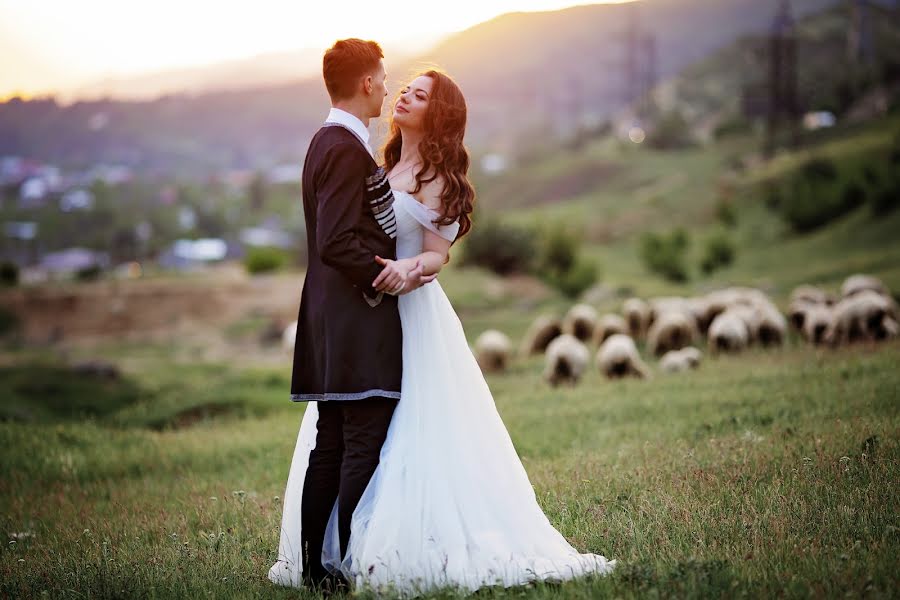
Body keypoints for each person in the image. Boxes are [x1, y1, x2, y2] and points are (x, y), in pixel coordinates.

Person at [270, 64, 615, 596]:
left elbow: (437, 256)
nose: (404, 95)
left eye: (420, 94)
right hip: (366, 313)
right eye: (404, 88)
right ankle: (333, 557)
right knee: (346, 436)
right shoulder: (377, 163)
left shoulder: (442, 181)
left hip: (410, 311)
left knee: (401, 429)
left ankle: (385, 546)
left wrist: (409, 271)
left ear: (440, 114)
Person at [268, 38, 432, 592]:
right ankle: (340, 561)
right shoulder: (343, 147)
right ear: (366, 83)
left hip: (328, 317)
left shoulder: (325, 141)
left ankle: (318, 566)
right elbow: (337, 241)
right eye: (384, 78)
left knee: (333, 443)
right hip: (356, 319)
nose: (387, 88)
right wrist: (381, 274)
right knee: (358, 442)